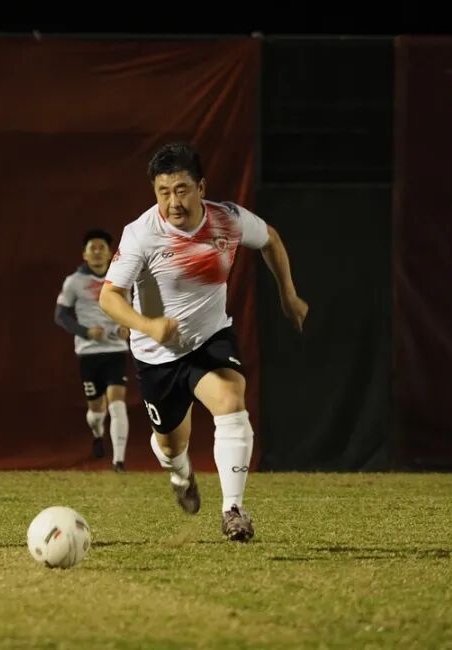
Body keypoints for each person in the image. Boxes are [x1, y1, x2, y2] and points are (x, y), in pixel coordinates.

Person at [99, 142, 307, 542]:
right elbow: (109, 297)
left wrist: (288, 295)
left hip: (210, 339)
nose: (172, 202)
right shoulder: (141, 234)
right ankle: (180, 474)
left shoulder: (227, 219)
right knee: (171, 445)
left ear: (201, 187)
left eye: (181, 190)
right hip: (157, 355)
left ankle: (233, 511)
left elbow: (271, 240)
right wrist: (147, 325)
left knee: (230, 398)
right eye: (163, 192)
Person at [53, 229, 131, 471]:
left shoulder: (122, 279)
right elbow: (61, 316)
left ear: (110, 254)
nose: (97, 252)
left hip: (116, 350)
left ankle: (119, 461)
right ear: (85, 255)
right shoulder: (74, 281)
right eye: (92, 248)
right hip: (88, 352)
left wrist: (127, 327)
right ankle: (97, 432)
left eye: (101, 248)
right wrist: (85, 332)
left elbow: (133, 309)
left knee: (117, 401)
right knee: (96, 410)